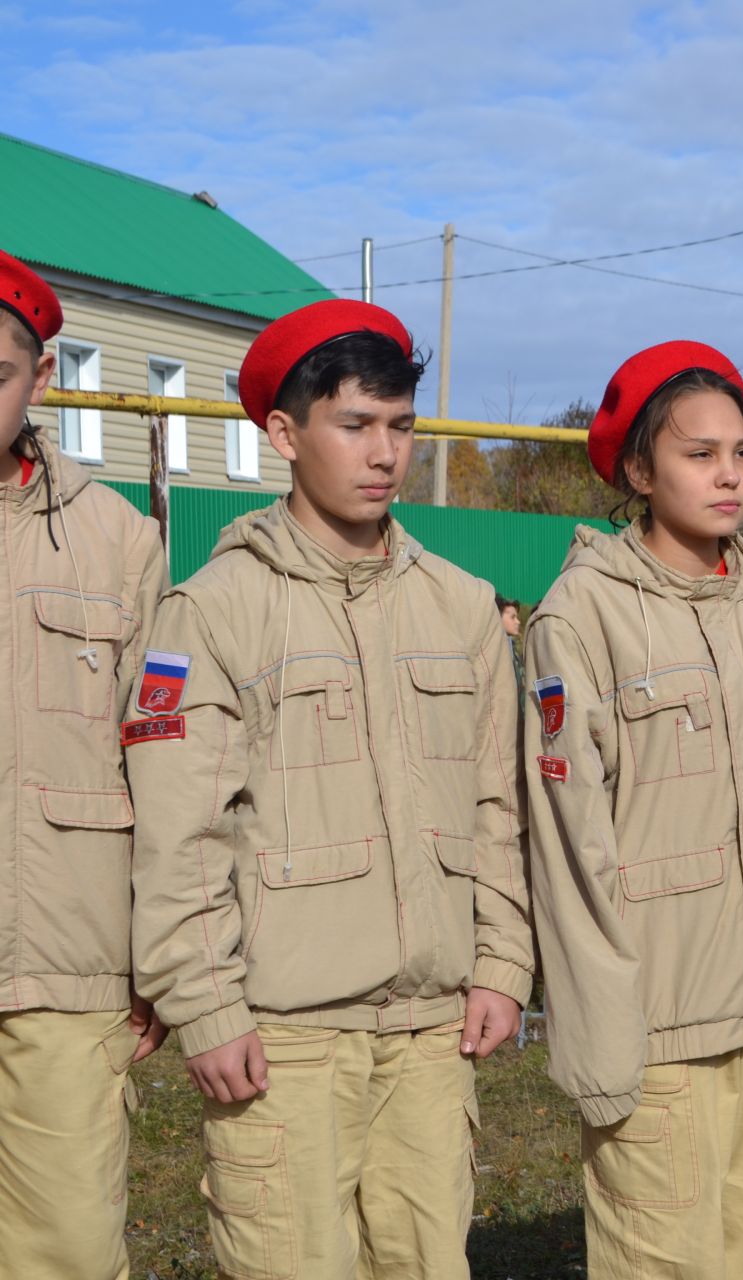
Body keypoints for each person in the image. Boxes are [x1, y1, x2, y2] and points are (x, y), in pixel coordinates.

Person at [129, 300, 533, 1279]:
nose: (384, 451)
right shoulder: (214, 611)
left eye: (400, 424)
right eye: (355, 424)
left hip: (433, 1034)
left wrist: (503, 962)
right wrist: (207, 1004)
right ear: (283, 433)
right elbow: (183, 832)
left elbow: (497, 806)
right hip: (287, 1038)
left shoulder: (463, 606)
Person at [522, 341, 743, 1278]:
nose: (729, 477)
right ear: (638, 469)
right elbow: (567, 848)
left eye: (742, 453)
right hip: (657, 1021)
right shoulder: (581, 617)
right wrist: (601, 1036)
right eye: (699, 454)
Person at [0, 249, 169, 1280]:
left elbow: (166, 761)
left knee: (64, 1244)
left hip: (71, 959)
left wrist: (163, 950)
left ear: (41, 378)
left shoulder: (119, 541)